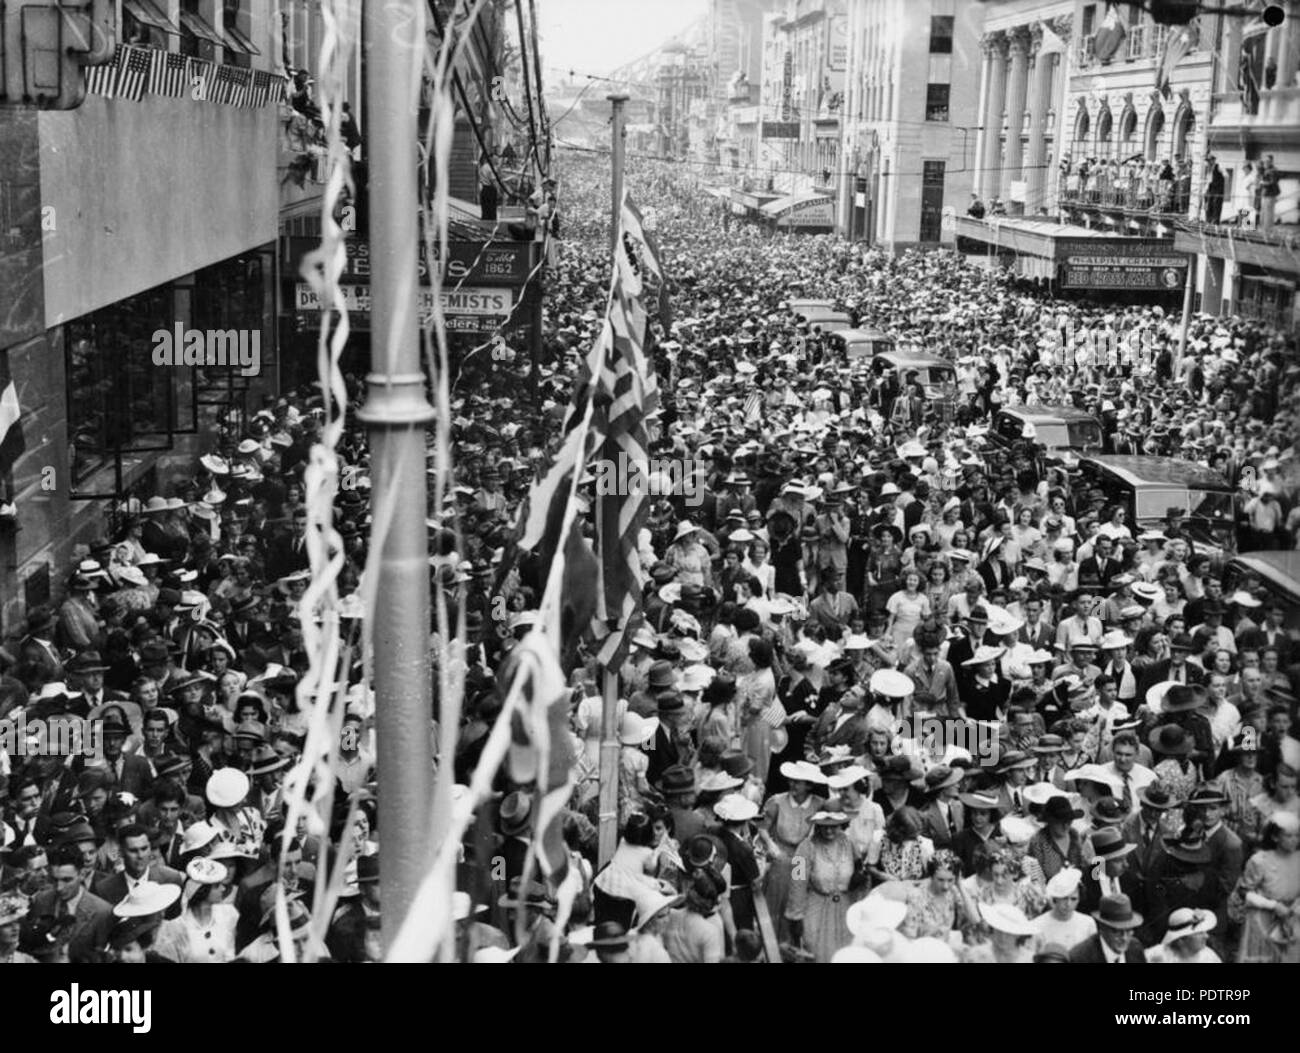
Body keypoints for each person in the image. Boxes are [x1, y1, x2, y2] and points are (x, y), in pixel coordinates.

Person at [786, 810, 858, 962]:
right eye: (824, 826)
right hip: (817, 907)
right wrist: (796, 915)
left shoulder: (849, 843)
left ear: (841, 825)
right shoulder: (805, 847)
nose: (829, 830)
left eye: (833, 826)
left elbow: (860, 870)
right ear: (817, 826)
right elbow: (796, 882)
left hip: (845, 906)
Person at [1232, 812, 1300, 963]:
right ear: (1275, 837)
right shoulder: (1260, 861)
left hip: (1293, 917)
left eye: (1297, 836)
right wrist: (1274, 905)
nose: (1294, 840)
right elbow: (1244, 891)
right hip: (1263, 919)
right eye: (1289, 836)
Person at [1068, 893, 1147, 962]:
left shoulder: (1135, 948)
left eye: (1129, 930)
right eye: (1117, 931)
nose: (1124, 938)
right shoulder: (1080, 958)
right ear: (1102, 928)